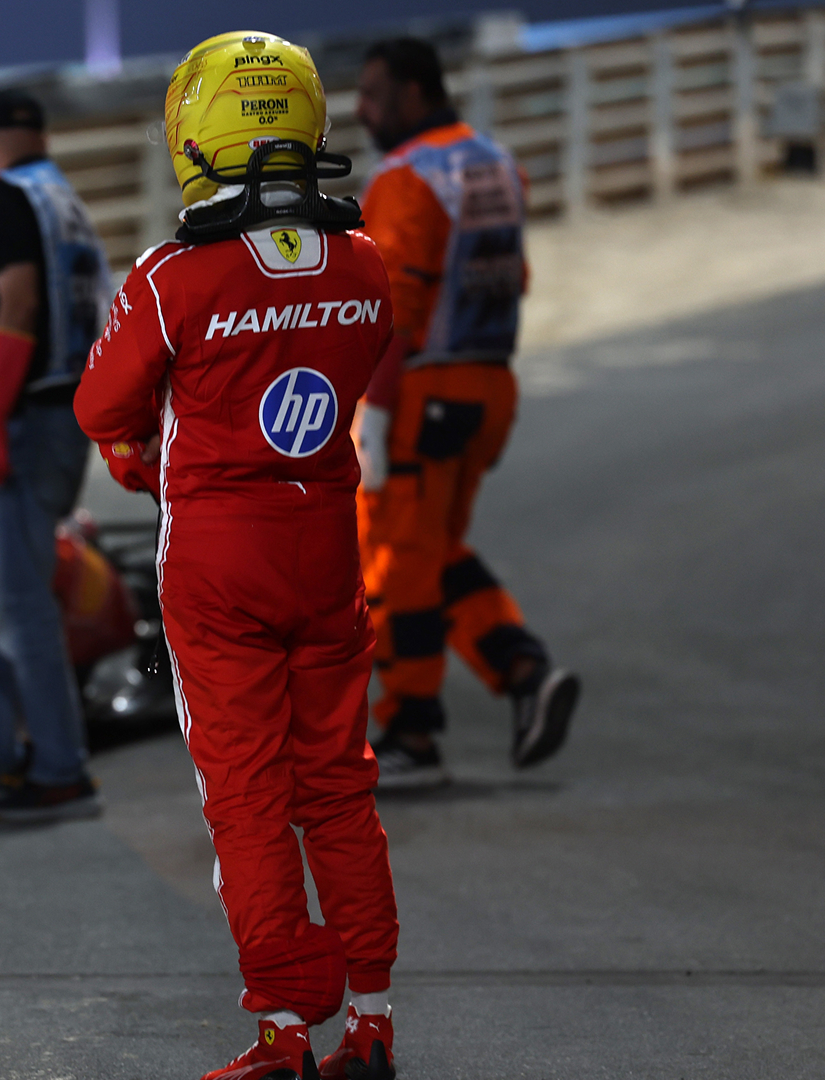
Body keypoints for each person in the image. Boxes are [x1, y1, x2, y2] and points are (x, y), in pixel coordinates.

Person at [76, 32, 401, 1080]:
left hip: (218, 562)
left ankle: (284, 1027)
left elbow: (100, 405)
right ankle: (372, 1020)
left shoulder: (174, 276)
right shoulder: (366, 261)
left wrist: (144, 450)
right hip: (326, 553)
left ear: (196, 130)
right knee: (341, 789)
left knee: (248, 799)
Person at [353, 37, 580, 788]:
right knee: (439, 548)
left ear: (416, 92)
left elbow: (395, 311)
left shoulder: (406, 180)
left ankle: (413, 732)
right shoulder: (495, 163)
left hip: (425, 393)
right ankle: (522, 672)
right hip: (489, 389)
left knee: (400, 562)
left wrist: (375, 418)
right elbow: (515, 276)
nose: (363, 109)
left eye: (375, 95)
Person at [0, 89, 112, 822]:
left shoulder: (6, 199)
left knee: (14, 604)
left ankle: (61, 769)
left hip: (22, 422)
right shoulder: (60, 198)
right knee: (15, 591)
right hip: (63, 416)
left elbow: (16, 305)